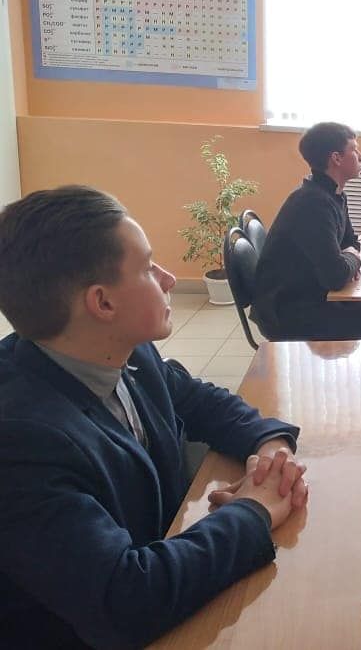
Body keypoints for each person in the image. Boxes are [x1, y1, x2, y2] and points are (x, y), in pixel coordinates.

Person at [0, 186, 309, 649]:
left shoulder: (127, 350)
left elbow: (203, 402)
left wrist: (271, 451)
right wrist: (254, 511)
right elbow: (126, 600)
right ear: (103, 303)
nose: (168, 278)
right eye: (147, 267)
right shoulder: (21, 439)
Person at [251, 121, 361, 340]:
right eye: (354, 150)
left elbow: (351, 243)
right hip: (290, 314)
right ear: (336, 158)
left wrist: (349, 259)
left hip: (311, 296)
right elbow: (336, 276)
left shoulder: (333, 195)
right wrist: (350, 259)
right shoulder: (313, 203)